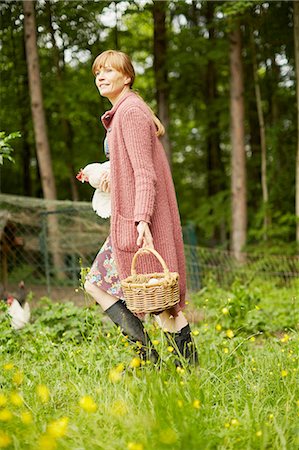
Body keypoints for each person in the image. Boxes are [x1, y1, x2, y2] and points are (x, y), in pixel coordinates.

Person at [84, 50, 198, 366]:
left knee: (163, 304)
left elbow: (145, 173)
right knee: (99, 285)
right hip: (130, 219)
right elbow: (131, 169)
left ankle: (178, 368)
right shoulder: (122, 113)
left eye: (109, 70)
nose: (102, 77)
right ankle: (154, 361)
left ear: (127, 76)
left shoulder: (131, 112)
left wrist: (143, 221)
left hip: (139, 222)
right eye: (98, 73)